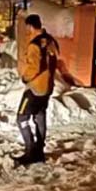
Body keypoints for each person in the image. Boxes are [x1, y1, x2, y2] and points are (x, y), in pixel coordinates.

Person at [15, 14, 59, 166]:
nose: (27, 30)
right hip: (47, 87)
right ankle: (39, 152)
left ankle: (30, 152)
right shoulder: (50, 41)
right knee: (40, 116)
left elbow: (34, 67)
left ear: (30, 26)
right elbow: (54, 59)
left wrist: (25, 78)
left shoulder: (34, 44)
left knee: (21, 118)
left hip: (35, 88)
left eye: (27, 27)